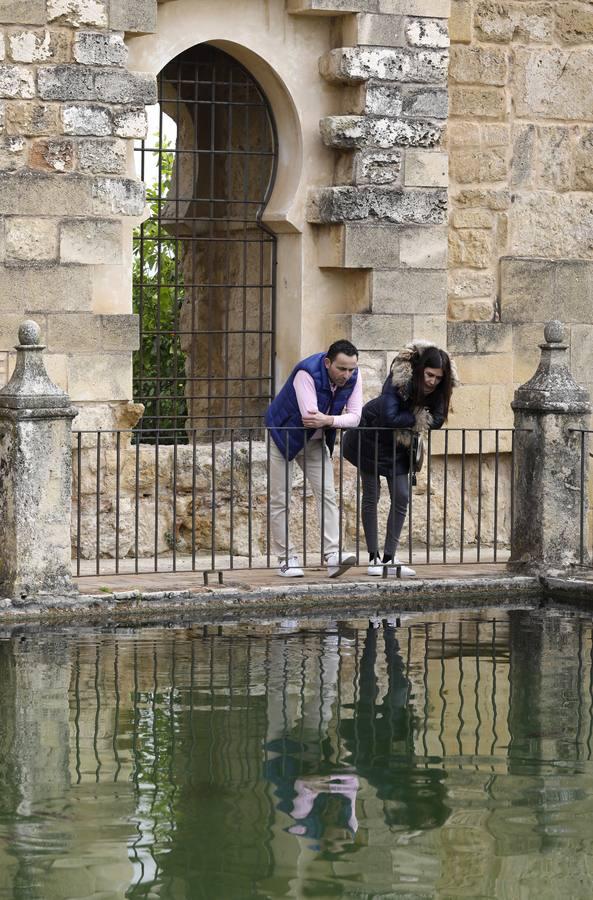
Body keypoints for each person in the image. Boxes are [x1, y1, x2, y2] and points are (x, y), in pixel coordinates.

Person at [343, 340, 458, 577]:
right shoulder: (399, 381)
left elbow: (437, 420)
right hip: (371, 434)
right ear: (420, 370)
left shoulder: (438, 390)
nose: (432, 382)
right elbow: (389, 416)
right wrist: (417, 415)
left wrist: (416, 417)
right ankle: (374, 558)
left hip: (398, 444)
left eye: (437, 378)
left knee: (402, 496)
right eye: (429, 375)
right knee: (371, 494)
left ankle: (389, 557)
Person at [265, 340, 362, 577]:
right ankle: (286, 559)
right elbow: (310, 416)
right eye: (341, 369)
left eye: (351, 369)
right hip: (284, 436)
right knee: (281, 498)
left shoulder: (355, 377)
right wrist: (336, 420)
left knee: (327, 494)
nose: (347, 375)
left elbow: (356, 417)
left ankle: (332, 556)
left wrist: (328, 421)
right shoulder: (306, 372)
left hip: (315, 441)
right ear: (328, 363)